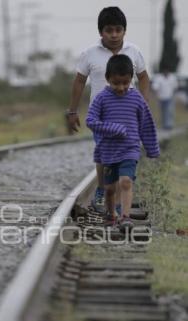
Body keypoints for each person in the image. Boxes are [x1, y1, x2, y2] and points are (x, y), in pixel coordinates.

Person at [66, 6, 150, 213]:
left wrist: (144, 106)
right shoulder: (90, 54)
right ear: (101, 32)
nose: (114, 35)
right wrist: (72, 111)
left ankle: (121, 202)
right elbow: (79, 81)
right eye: (109, 30)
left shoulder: (134, 52)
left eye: (118, 30)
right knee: (105, 156)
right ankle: (103, 191)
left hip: (129, 115)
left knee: (128, 155)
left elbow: (144, 78)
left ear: (124, 31)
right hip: (102, 116)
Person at [86, 54, 160, 231]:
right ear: (107, 79)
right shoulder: (101, 98)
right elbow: (91, 120)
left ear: (131, 79)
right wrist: (112, 128)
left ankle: (125, 217)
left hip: (130, 149)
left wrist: (152, 149)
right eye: (116, 83)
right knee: (110, 189)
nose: (121, 87)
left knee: (126, 181)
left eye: (125, 83)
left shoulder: (137, 99)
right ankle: (111, 215)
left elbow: (147, 125)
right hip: (109, 151)